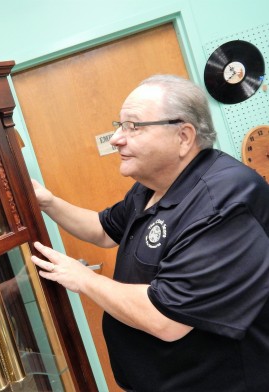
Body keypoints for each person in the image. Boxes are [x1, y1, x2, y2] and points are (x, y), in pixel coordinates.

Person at [30, 74, 269, 392]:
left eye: (133, 127)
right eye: (119, 125)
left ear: (183, 136)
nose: (116, 138)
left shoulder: (224, 198)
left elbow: (166, 318)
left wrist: (83, 279)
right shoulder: (149, 188)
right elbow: (103, 229)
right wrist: (48, 202)